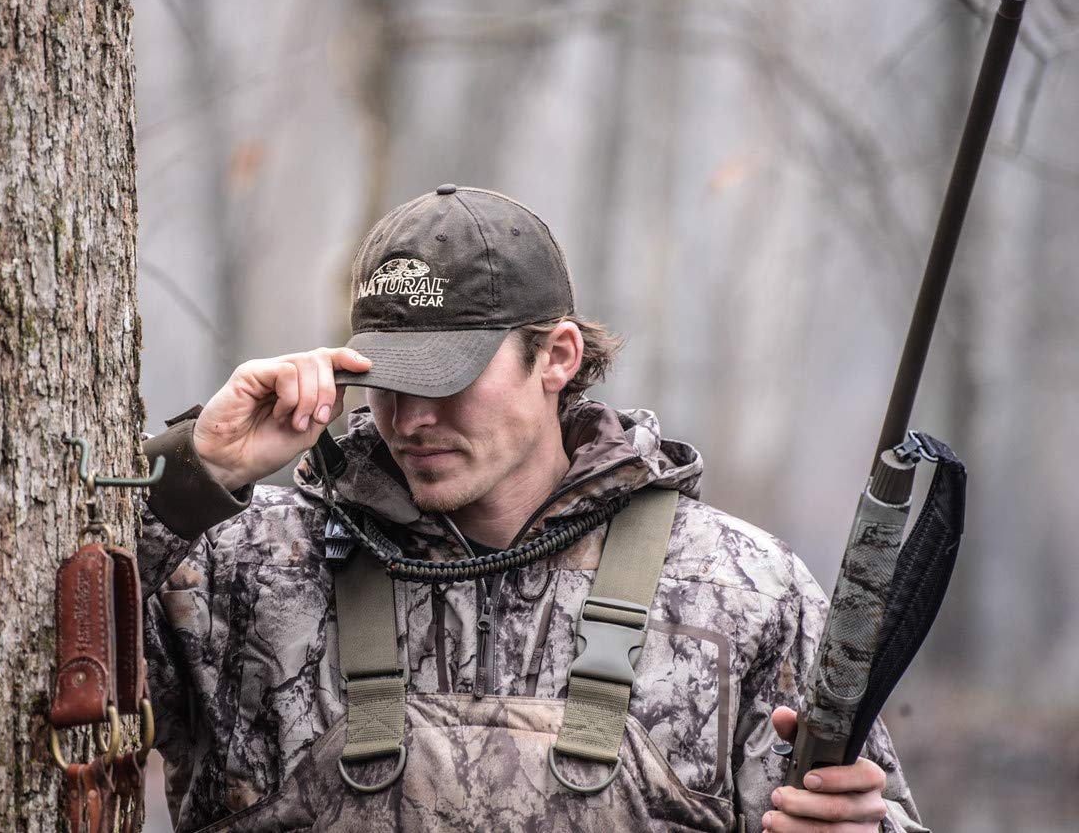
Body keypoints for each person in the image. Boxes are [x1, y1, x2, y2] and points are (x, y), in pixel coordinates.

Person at [138, 185, 927, 832]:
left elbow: (868, 813)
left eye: (446, 380)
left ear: (557, 357)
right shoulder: (241, 566)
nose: (411, 420)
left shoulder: (744, 592)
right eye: (387, 381)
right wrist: (198, 469)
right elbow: (40, 644)